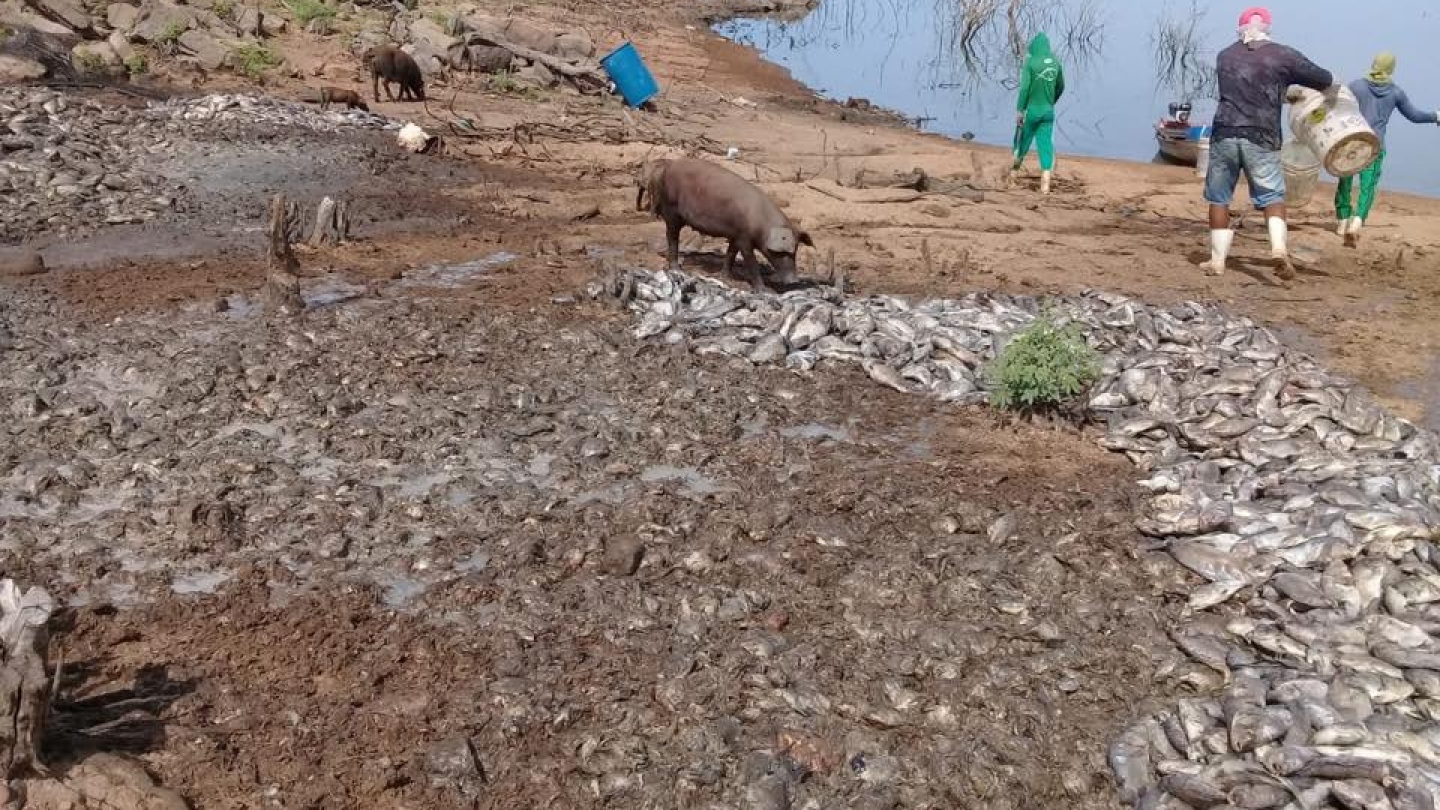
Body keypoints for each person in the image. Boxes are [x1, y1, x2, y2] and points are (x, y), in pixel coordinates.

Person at [1203, 7, 1337, 280]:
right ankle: (1277, 249)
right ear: (1268, 28)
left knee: (1219, 198)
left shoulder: (1224, 55)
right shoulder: (1282, 55)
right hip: (1262, 135)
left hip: (1224, 132)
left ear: (1240, 29)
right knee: (1272, 196)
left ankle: (1217, 262)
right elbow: (1324, 78)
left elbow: (1248, 83)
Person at [1334, 52, 1440, 246]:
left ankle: (1342, 221)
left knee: (1345, 181)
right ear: (1391, 69)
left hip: (1351, 141)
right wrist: (1436, 116)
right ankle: (1357, 222)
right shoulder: (1395, 93)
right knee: (1367, 186)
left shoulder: (1357, 85)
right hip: (1375, 145)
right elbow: (1415, 116)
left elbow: (1338, 105)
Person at [1012, 32, 1064, 195]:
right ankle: (1045, 182)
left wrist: (1020, 110)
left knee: (1023, 141)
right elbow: (1061, 86)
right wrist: (1051, 101)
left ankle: (1013, 174)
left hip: (1032, 111)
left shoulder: (1030, 63)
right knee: (1045, 144)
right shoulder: (1056, 62)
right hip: (1048, 111)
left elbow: (1025, 88)